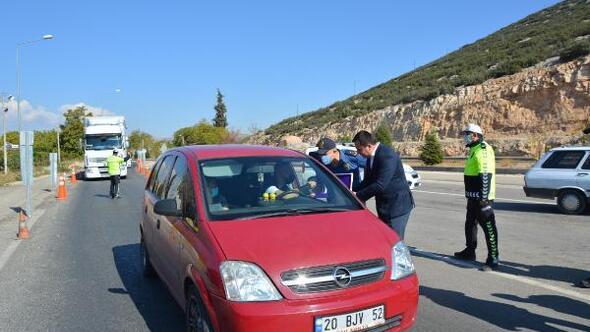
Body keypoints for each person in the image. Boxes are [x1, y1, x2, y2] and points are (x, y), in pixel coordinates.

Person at [453, 123, 500, 271]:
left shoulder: (483, 149)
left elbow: (485, 175)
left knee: (488, 227)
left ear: (475, 135)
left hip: (482, 198)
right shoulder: (474, 149)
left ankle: (493, 258)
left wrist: (484, 199)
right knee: (470, 224)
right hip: (473, 197)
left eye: (467, 134)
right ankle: (469, 251)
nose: (464, 137)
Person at [353, 130, 414, 240]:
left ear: (369, 146)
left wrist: (357, 196)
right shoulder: (371, 156)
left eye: (359, 149)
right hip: (384, 206)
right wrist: (349, 192)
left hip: (397, 207)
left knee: (395, 242)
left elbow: (380, 184)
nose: (358, 153)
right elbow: (368, 180)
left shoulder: (386, 155)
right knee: (386, 239)